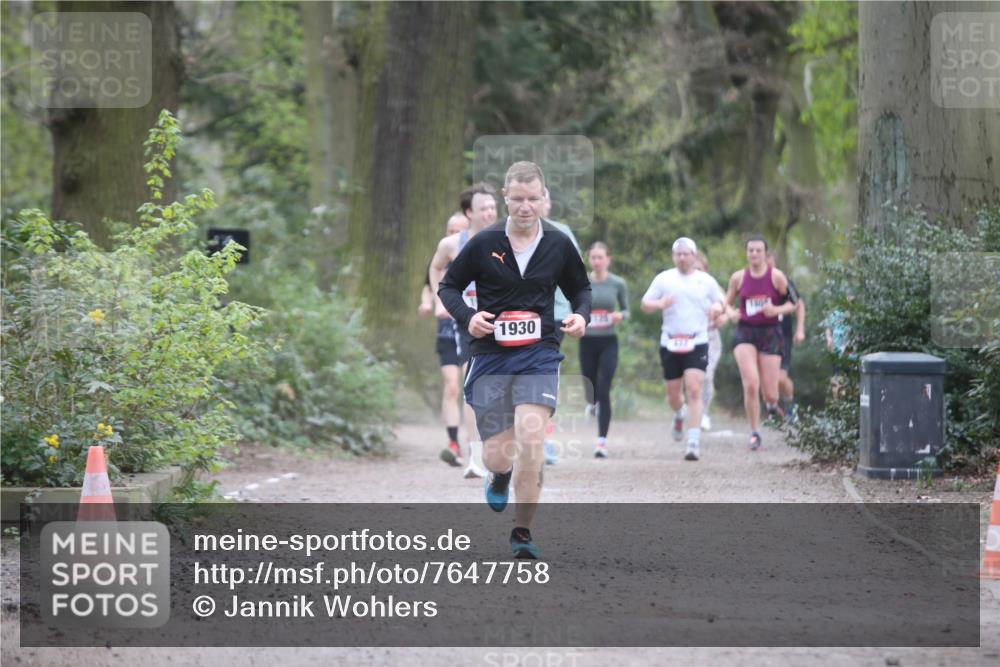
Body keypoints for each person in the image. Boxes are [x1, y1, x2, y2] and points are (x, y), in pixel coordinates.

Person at [439, 161, 591, 559]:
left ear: (544, 199)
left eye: (534, 199)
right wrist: (468, 318)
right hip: (490, 356)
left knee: (531, 437)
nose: (526, 207)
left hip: (539, 352)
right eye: (518, 199)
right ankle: (499, 475)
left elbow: (581, 289)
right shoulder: (483, 242)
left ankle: (522, 531)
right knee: (497, 454)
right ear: (506, 198)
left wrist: (580, 316)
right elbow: (448, 286)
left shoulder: (558, 243)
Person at [429, 188, 497, 476]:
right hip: (466, 321)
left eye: (494, 207)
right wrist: (439, 299)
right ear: (469, 213)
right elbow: (435, 268)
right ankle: (475, 456)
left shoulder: (505, 239)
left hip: (499, 320)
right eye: (484, 208)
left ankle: (501, 449)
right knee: (473, 382)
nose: (490, 213)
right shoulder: (452, 244)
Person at [641, 237, 724, 461]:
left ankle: (693, 442)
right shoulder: (664, 279)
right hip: (670, 341)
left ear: (694, 256)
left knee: (694, 389)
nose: (682, 257)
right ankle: (679, 413)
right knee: (673, 395)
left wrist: (716, 308)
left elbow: (720, 302)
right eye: (678, 254)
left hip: (697, 341)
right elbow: (645, 303)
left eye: (686, 253)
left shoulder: (705, 281)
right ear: (673, 256)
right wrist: (660, 304)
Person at [721, 234, 797, 451]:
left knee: (771, 393)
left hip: (771, 333)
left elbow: (793, 303)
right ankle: (755, 432)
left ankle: (772, 404)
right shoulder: (738, 278)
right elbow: (725, 303)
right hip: (745, 332)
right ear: (747, 253)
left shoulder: (777, 277)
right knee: (751, 383)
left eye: (758, 250)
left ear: (765, 254)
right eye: (750, 250)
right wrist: (730, 312)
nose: (754, 254)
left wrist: (776, 309)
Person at [538, 187, 581, 465]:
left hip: (555, 315)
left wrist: (579, 312)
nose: (533, 204)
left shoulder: (562, 231)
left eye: (540, 198)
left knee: (544, 375)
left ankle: (544, 439)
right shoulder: (507, 232)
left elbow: (576, 274)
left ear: (549, 204)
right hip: (518, 315)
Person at [580, 242, 629, 458]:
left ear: (608, 259)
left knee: (603, 388)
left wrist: (621, 316)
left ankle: (601, 442)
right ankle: (592, 404)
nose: (597, 261)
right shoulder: (581, 282)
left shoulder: (618, 283)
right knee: (590, 388)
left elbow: (627, 310)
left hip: (609, 341)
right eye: (593, 258)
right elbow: (575, 306)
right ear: (589, 260)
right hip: (587, 341)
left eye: (601, 257)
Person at [767, 251, 805, 422]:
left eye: (768, 261)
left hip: (783, 335)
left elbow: (799, 304)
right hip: (762, 336)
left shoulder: (783, 281)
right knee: (766, 378)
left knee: (780, 377)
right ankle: (773, 412)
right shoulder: (752, 281)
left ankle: (790, 405)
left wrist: (800, 329)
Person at [693, 250, 723, 431]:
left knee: (707, 374)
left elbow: (727, 310)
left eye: (699, 268)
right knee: (690, 377)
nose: (696, 272)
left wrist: (721, 318)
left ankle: (704, 413)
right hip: (688, 338)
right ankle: (690, 408)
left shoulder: (713, 287)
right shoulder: (679, 285)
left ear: (705, 269)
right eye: (693, 268)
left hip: (710, 338)